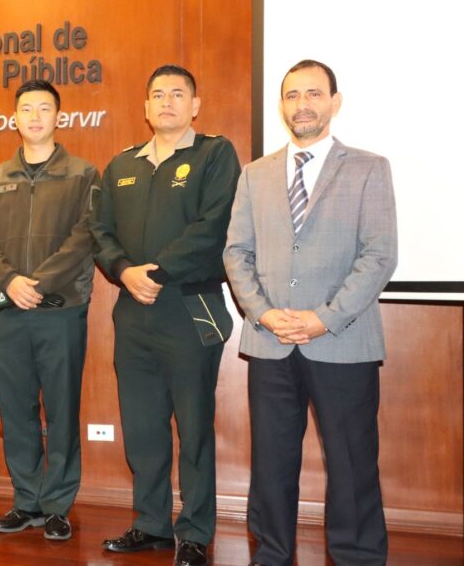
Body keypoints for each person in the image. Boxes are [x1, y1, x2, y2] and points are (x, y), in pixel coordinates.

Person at [223, 59, 397, 566]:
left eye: (314, 94)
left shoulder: (369, 168)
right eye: (293, 95)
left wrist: (324, 317)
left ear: (334, 103)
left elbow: (379, 254)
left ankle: (358, 556)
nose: (302, 105)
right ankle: (272, 555)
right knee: (272, 462)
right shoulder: (254, 174)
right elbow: (237, 252)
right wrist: (263, 313)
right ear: (282, 106)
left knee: (351, 462)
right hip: (270, 340)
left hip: (343, 340)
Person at [91, 65, 240, 566]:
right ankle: (150, 524)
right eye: (158, 95)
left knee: (194, 427)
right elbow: (101, 231)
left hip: (190, 307)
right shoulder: (122, 165)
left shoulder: (215, 154)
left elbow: (213, 226)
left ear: (195, 105)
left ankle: (195, 532)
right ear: (146, 107)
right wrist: (123, 271)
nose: (168, 102)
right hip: (133, 311)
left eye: (179, 94)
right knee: (142, 426)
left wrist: (155, 273)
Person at [0, 79, 98, 541]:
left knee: (61, 409)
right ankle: (26, 500)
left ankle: (57, 503)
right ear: (15, 117)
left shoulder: (83, 174)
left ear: (58, 117)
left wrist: (38, 284)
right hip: (7, 312)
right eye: (27, 109)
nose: (36, 116)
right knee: (17, 410)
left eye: (45, 108)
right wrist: (10, 281)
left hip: (60, 311)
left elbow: (85, 237)